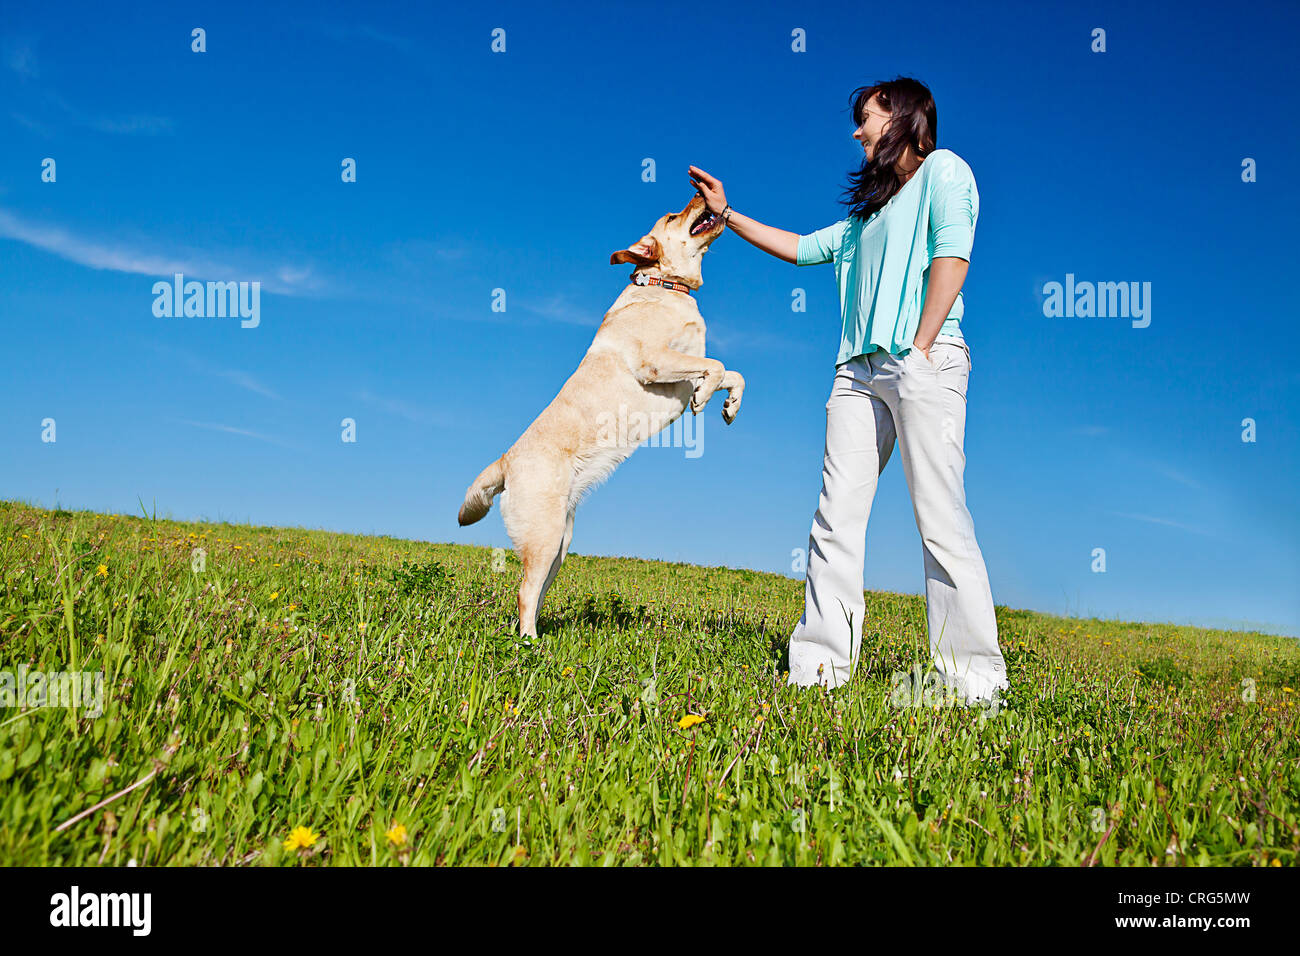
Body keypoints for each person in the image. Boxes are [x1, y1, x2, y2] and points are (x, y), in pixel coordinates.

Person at [688, 76, 1009, 702]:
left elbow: (953, 255)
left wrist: (917, 349)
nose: (857, 131)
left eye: (866, 117)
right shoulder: (864, 219)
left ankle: (972, 682)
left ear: (904, 118)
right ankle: (818, 669)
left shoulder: (945, 171)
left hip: (926, 359)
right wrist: (726, 214)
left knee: (939, 516)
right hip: (856, 375)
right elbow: (803, 248)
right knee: (834, 518)